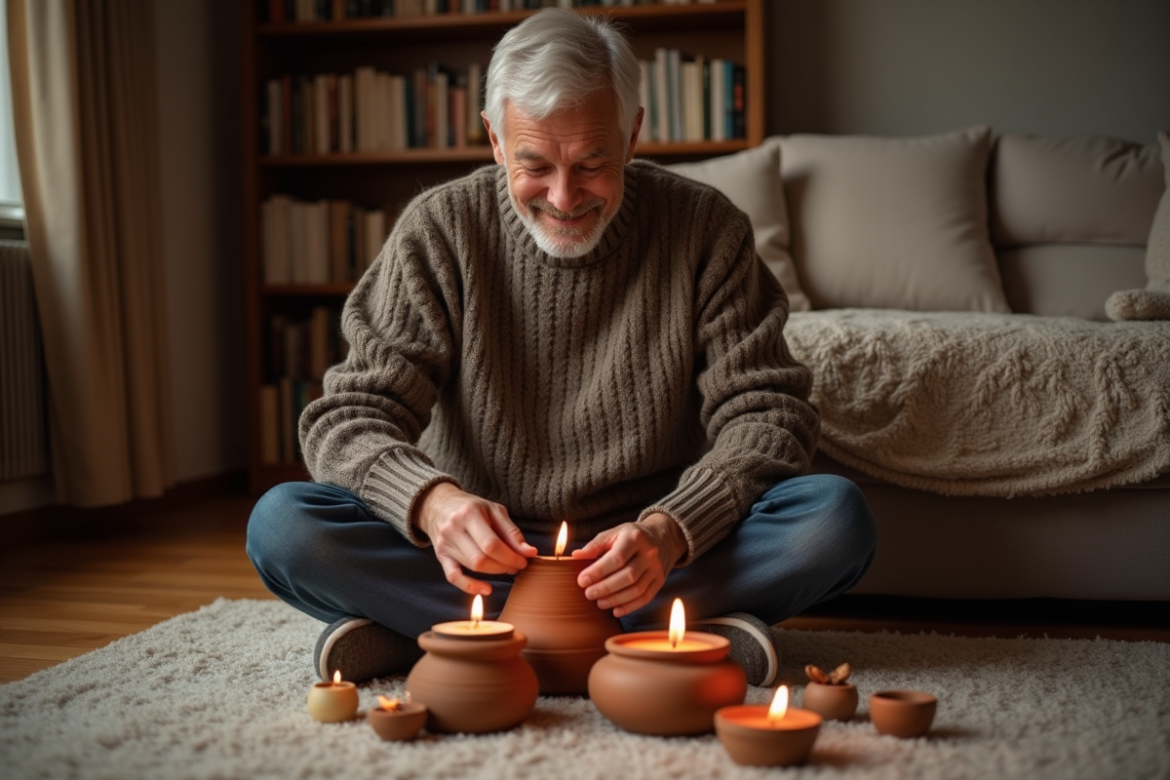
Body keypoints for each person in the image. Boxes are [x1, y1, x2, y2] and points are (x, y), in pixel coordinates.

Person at [246, 7, 876, 688]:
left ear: (634, 133)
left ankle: (450, 638)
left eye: (592, 163)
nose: (564, 196)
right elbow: (348, 417)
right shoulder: (440, 230)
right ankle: (672, 639)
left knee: (833, 522)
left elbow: (769, 413)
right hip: (483, 553)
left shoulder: (705, 229)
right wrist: (434, 504)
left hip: (642, 558)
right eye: (535, 165)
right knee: (283, 526)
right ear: (494, 140)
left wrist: (671, 530)